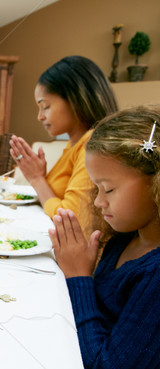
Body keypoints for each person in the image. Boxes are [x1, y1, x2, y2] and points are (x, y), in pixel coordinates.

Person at [49, 105, 160, 369]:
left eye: (108, 189)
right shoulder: (126, 237)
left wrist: (79, 277)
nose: (98, 202)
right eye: (96, 188)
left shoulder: (154, 274)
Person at [10, 55, 118, 225]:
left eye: (45, 106)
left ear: (75, 99)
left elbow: (71, 218)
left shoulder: (92, 146)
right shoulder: (75, 143)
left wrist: (37, 179)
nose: (40, 116)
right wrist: (39, 177)